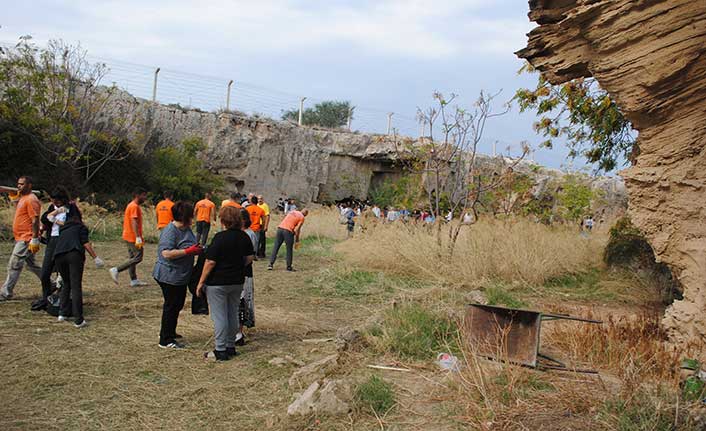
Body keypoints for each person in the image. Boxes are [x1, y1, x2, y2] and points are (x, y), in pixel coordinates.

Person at [196, 207, 254, 361]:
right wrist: (238, 266)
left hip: (218, 282)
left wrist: (201, 282)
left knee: (220, 316)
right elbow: (249, 258)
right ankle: (230, 345)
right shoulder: (244, 237)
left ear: (223, 220)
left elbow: (210, 262)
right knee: (233, 313)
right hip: (237, 281)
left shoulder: (220, 238)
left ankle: (220, 349)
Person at [152, 201, 203, 349]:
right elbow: (166, 253)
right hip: (169, 276)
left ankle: (169, 331)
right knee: (171, 305)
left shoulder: (186, 229)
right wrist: (188, 252)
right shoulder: (170, 231)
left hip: (181, 276)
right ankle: (165, 340)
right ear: (185, 216)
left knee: (178, 304)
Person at [54, 205, 103, 328]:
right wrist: (95, 257)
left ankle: (62, 313)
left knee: (66, 283)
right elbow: (85, 243)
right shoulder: (81, 227)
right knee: (76, 286)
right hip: (74, 254)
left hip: (58, 256)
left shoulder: (63, 228)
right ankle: (79, 319)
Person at [1, 176, 43, 301]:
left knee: (14, 264)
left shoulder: (31, 199)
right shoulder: (23, 198)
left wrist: (34, 239)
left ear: (29, 185)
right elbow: (19, 209)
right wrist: (13, 196)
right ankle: (51, 284)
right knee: (32, 265)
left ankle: (5, 292)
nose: (19, 186)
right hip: (21, 237)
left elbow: (35, 220)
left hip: (27, 238)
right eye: (18, 184)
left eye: (22, 184)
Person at [34, 187, 70, 310]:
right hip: (52, 241)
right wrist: (41, 231)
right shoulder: (51, 208)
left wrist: (56, 220)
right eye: (53, 200)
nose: (55, 203)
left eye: (58, 201)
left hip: (64, 241)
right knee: (45, 273)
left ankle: (61, 300)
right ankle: (46, 297)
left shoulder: (70, 209)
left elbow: (74, 224)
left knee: (63, 273)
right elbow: (44, 220)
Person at [109, 187, 148, 287]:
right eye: (144, 195)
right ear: (137, 195)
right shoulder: (134, 206)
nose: (145, 198)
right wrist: (138, 237)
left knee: (132, 257)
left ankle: (133, 279)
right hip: (132, 237)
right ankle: (116, 269)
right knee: (138, 257)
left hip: (128, 235)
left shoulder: (131, 205)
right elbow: (134, 222)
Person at [238, 208, 257, 345]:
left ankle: (240, 330)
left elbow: (250, 256)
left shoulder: (249, 234)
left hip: (244, 272)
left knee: (243, 301)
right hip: (236, 272)